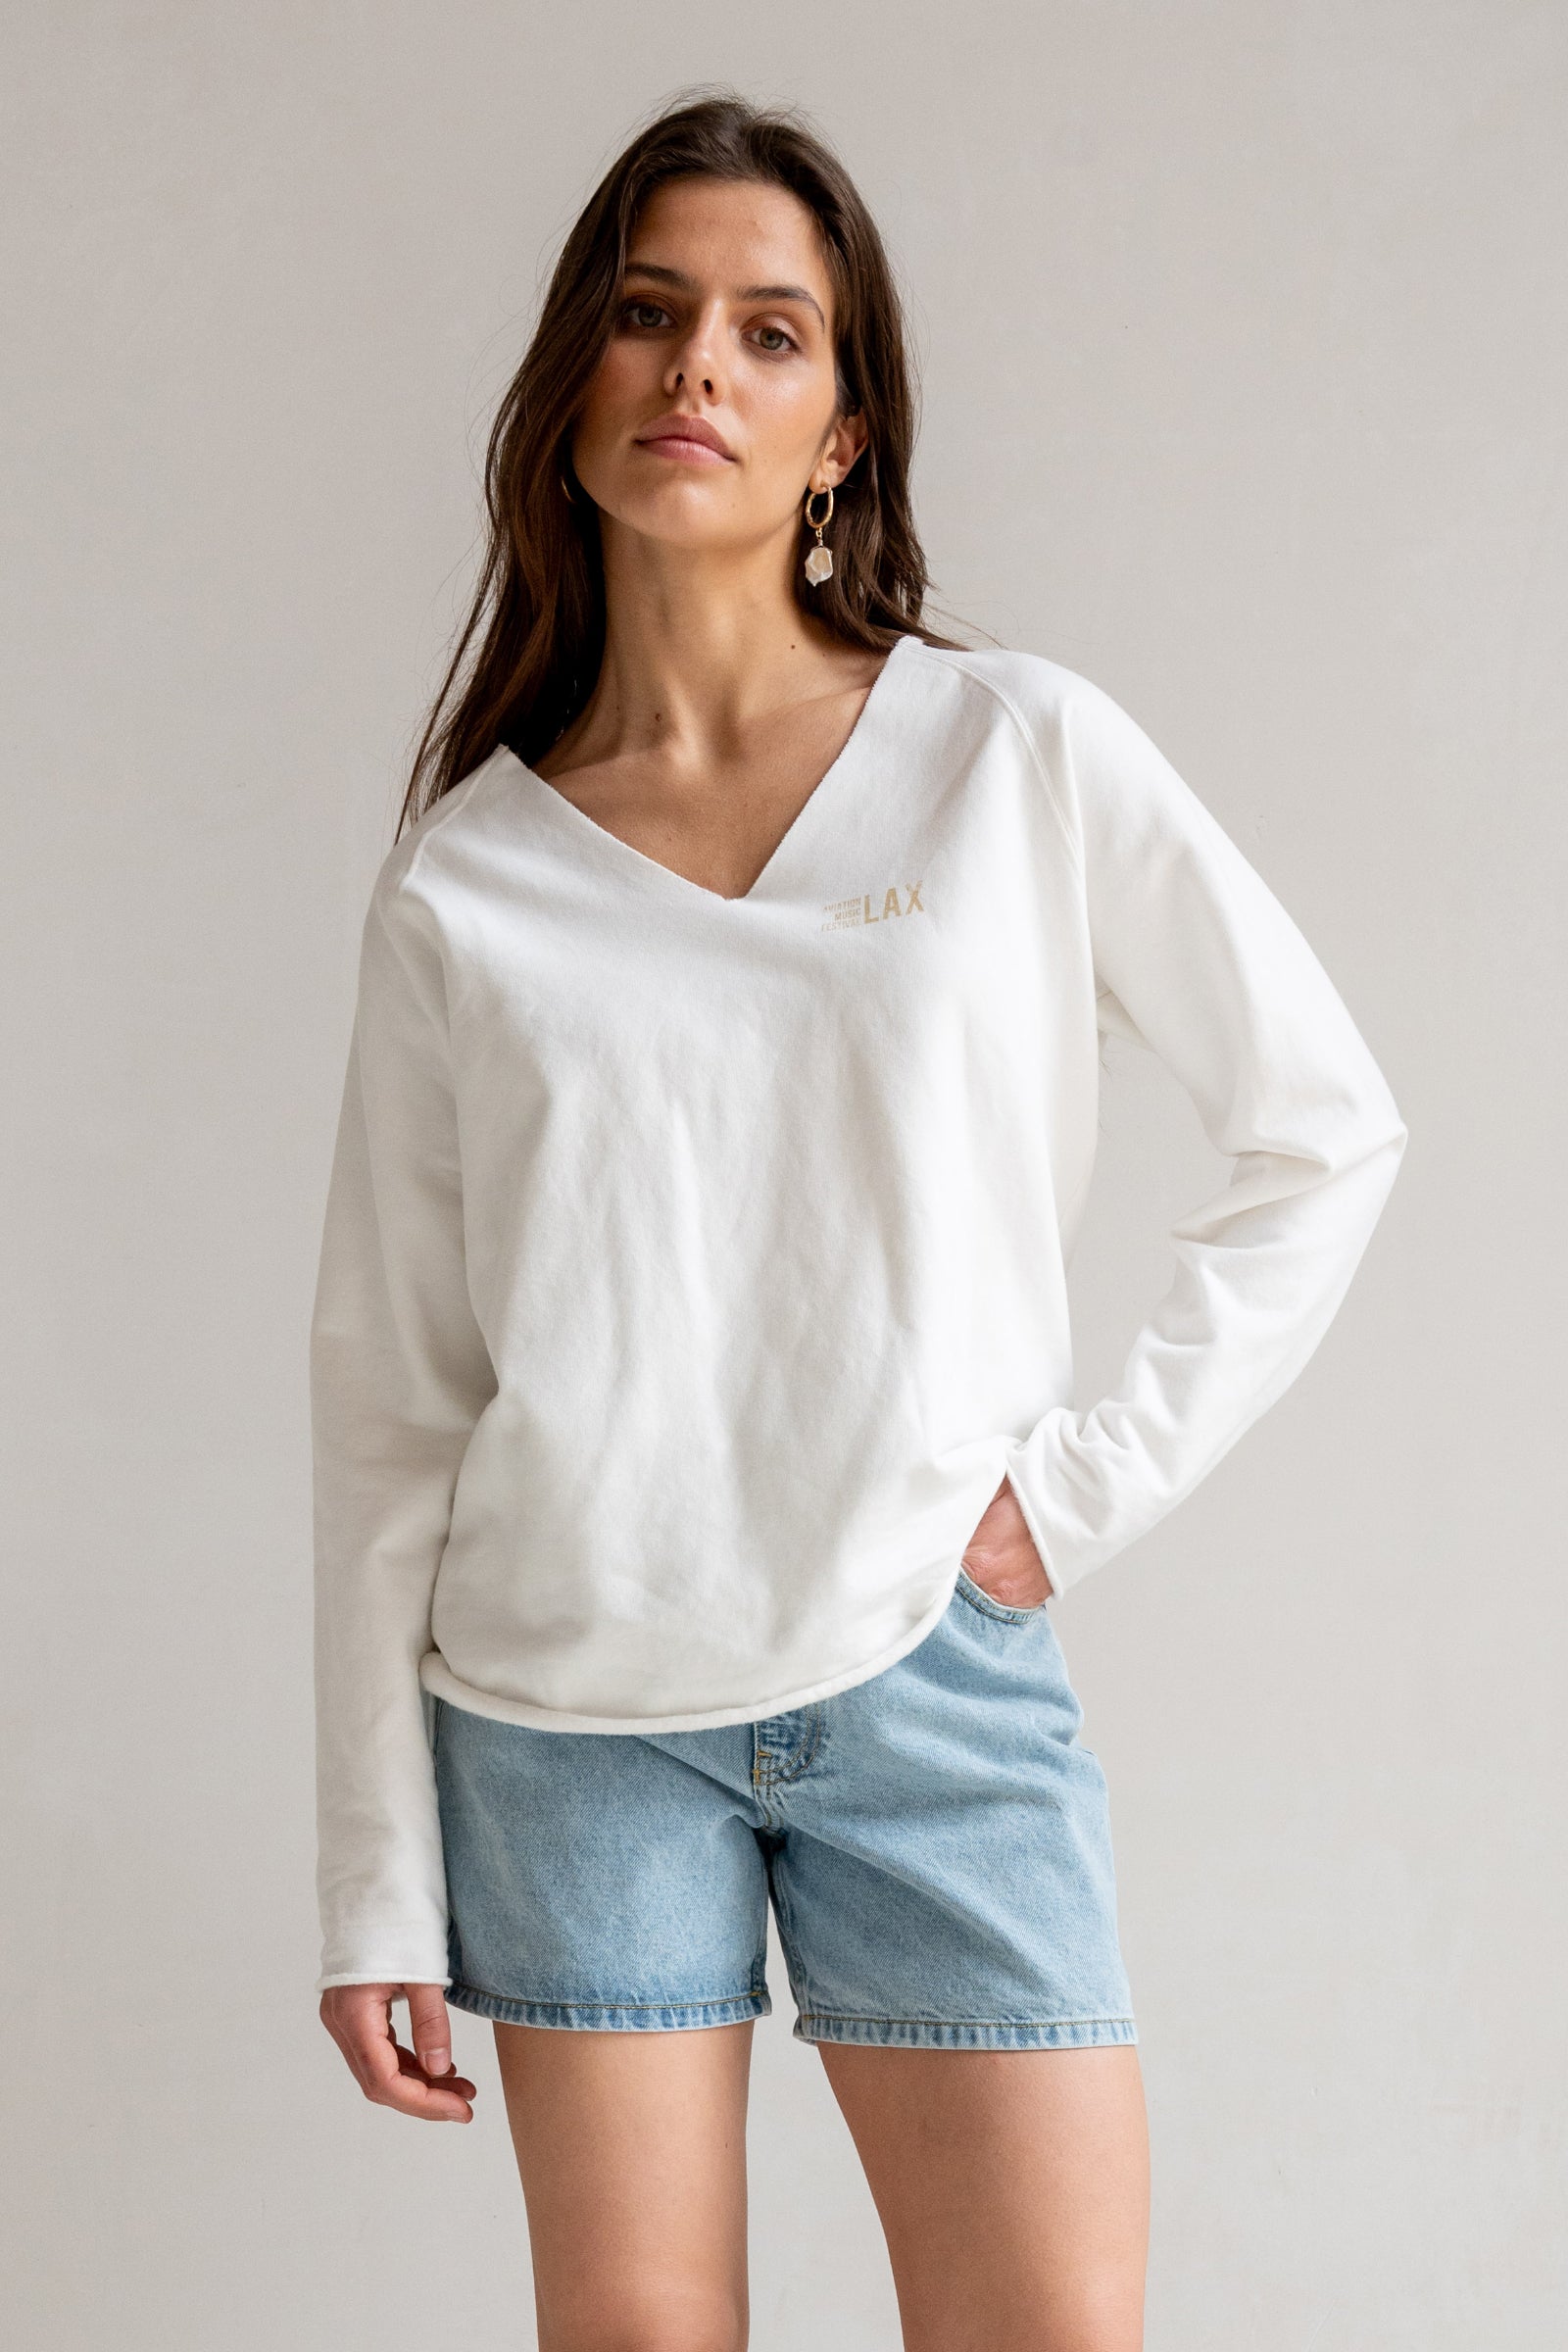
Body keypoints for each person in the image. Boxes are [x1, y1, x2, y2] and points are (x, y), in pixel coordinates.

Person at [309, 90, 1407, 2352]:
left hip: (931, 1673)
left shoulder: (1013, 757)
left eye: (768, 330)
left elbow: (1322, 1132)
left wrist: (1071, 1496)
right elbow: (392, 1406)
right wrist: (373, 1888)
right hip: (564, 1713)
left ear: (842, 431)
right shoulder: (472, 880)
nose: (696, 367)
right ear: (573, 387)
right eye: (647, 314)